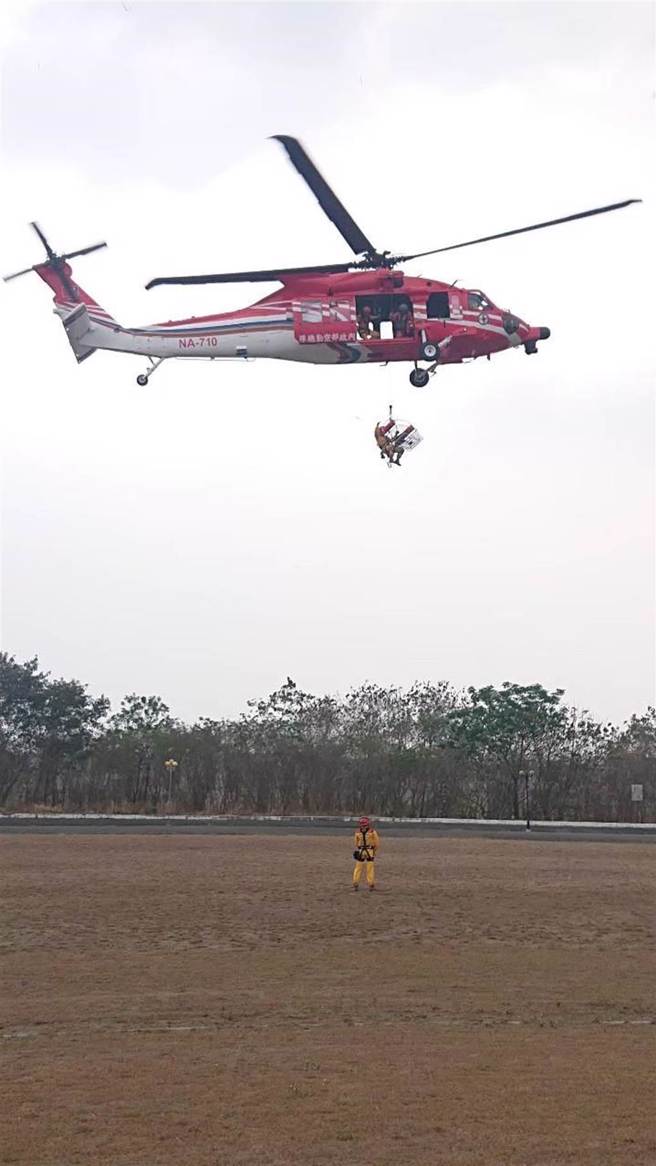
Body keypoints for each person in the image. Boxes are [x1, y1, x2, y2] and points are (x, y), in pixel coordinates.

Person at [352, 815, 380, 891]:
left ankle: (355, 883)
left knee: (358, 868)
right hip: (370, 851)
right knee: (370, 869)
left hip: (361, 851)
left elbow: (356, 843)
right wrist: (374, 851)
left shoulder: (357, 832)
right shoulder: (372, 831)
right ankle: (371, 885)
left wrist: (359, 847)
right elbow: (377, 843)